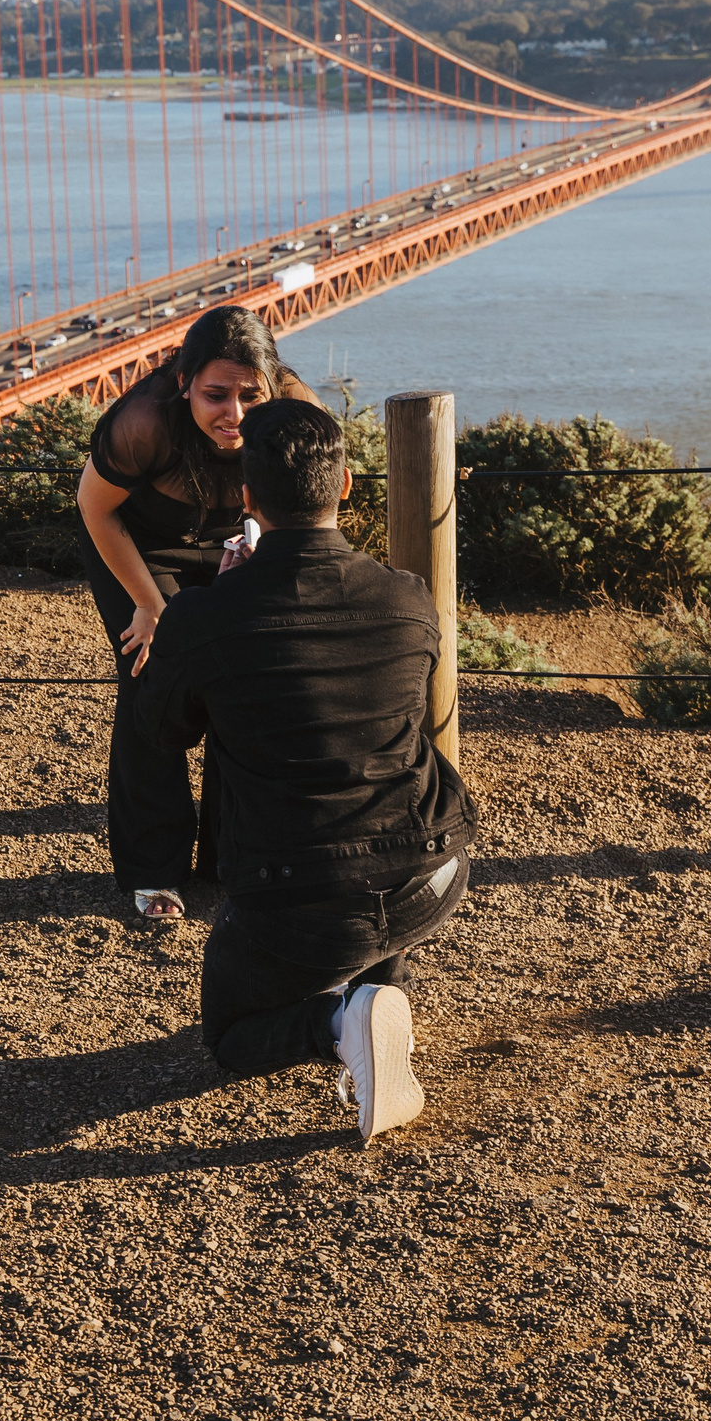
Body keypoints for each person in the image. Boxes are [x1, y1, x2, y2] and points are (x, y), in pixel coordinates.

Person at [130, 398, 477, 1144]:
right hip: (432, 875)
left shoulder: (205, 616)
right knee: (381, 809)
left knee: (230, 1035)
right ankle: (381, 989)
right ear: (346, 484)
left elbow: (162, 731)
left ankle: (339, 1018)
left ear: (247, 500)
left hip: (297, 902)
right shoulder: (410, 599)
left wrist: (217, 606)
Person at [73, 307, 324, 922]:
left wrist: (266, 560)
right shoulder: (142, 421)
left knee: (241, 685)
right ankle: (152, 867)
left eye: (249, 395)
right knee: (151, 680)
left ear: (272, 383)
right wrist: (153, 607)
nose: (234, 414)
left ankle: (228, 856)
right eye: (215, 395)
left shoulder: (295, 412)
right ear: (184, 381)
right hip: (137, 546)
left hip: (237, 538)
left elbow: (312, 501)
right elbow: (94, 509)